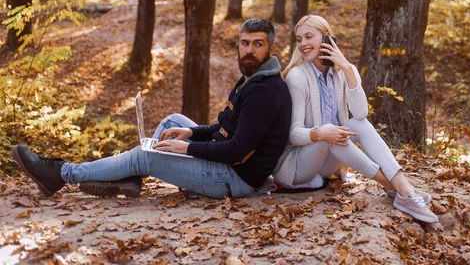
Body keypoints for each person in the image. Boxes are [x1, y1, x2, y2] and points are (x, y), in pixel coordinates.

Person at [12, 18, 292, 199]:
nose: (249, 50)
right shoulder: (250, 79)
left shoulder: (264, 92)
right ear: (238, 45)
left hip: (236, 180)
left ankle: (61, 174)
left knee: (144, 157)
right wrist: (190, 133)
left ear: (272, 49)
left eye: (258, 45)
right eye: (245, 43)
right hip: (228, 163)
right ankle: (129, 178)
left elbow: (237, 151)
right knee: (172, 122)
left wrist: (188, 148)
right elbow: (224, 127)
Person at [273, 15, 438, 223]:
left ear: (326, 39)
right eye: (299, 39)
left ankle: (403, 189)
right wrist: (321, 133)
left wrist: (348, 69)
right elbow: (294, 134)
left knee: (356, 124)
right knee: (331, 134)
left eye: (309, 37)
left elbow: (360, 114)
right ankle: (397, 188)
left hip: (326, 164)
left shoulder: (341, 72)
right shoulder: (297, 77)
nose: (303, 44)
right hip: (299, 166)